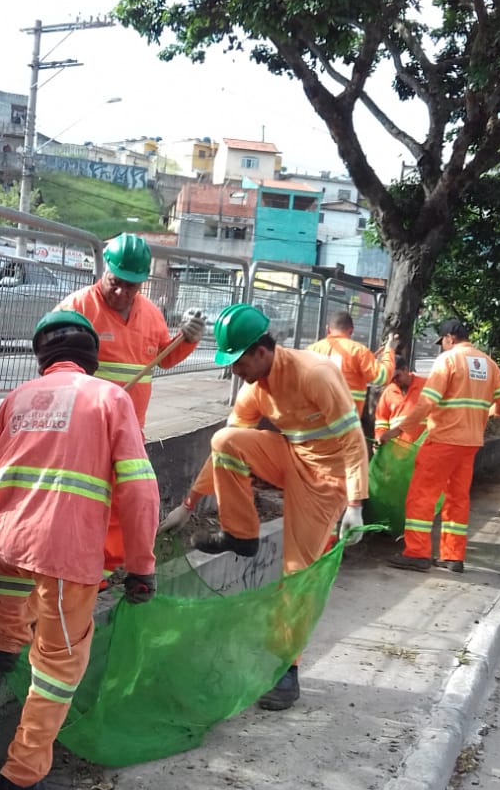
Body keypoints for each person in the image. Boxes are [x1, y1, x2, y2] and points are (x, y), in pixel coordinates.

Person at [0, 310, 160, 790]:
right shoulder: (110, 398)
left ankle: (3, 643)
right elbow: (138, 490)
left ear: (41, 357)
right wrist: (141, 565)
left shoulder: (16, 399)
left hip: (6, 535)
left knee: (14, 567)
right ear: (92, 357)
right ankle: (21, 782)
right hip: (65, 551)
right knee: (58, 665)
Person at [157, 303, 368, 711]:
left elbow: (352, 440)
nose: (235, 371)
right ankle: (242, 534)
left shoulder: (315, 374)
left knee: (297, 571)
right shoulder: (255, 389)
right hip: (291, 457)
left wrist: (355, 502)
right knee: (225, 441)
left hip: (327, 479)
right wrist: (189, 503)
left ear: (260, 351)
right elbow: (224, 448)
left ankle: (286, 669)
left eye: (238, 362)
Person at [53, 232, 205, 580]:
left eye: (132, 287)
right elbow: (52, 365)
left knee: (124, 502)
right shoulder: (77, 309)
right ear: (105, 272)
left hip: (130, 430)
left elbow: (163, 358)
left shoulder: (150, 315)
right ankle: (66, 568)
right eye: (115, 283)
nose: (121, 293)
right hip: (84, 429)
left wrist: (188, 339)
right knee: (80, 500)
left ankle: (102, 573)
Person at [383, 319, 500, 574]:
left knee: (422, 495)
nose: (441, 346)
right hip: (470, 443)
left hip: (443, 440)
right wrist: (490, 414)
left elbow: (426, 402)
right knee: (457, 499)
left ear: (450, 338)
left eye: (442, 341)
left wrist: (399, 429)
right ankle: (452, 557)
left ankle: (417, 553)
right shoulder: (488, 363)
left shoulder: (448, 360)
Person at [306, 310, 395, 418]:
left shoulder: (311, 350)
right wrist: (388, 349)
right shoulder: (358, 351)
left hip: (313, 419)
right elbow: (382, 377)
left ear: (327, 329)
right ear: (351, 330)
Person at [373, 354, 427, 446]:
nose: (394, 380)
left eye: (397, 376)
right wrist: (379, 437)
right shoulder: (388, 393)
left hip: (424, 448)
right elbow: (381, 422)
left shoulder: (426, 385)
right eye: (391, 379)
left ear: (405, 369)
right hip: (398, 450)